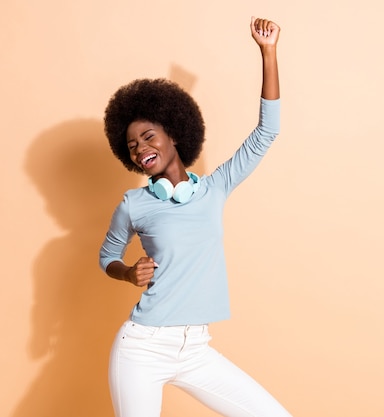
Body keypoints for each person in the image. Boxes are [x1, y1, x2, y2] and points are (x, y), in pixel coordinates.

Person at [99, 16, 290, 417]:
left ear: (174, 134)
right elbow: (107, 257)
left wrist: (268, 53)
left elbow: (266, 132)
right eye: (132, 145)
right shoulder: (134, 204)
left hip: (196, 350)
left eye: (148, 136)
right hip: (142, 349)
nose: (140, 149)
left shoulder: (214, 188)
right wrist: (127, 272)